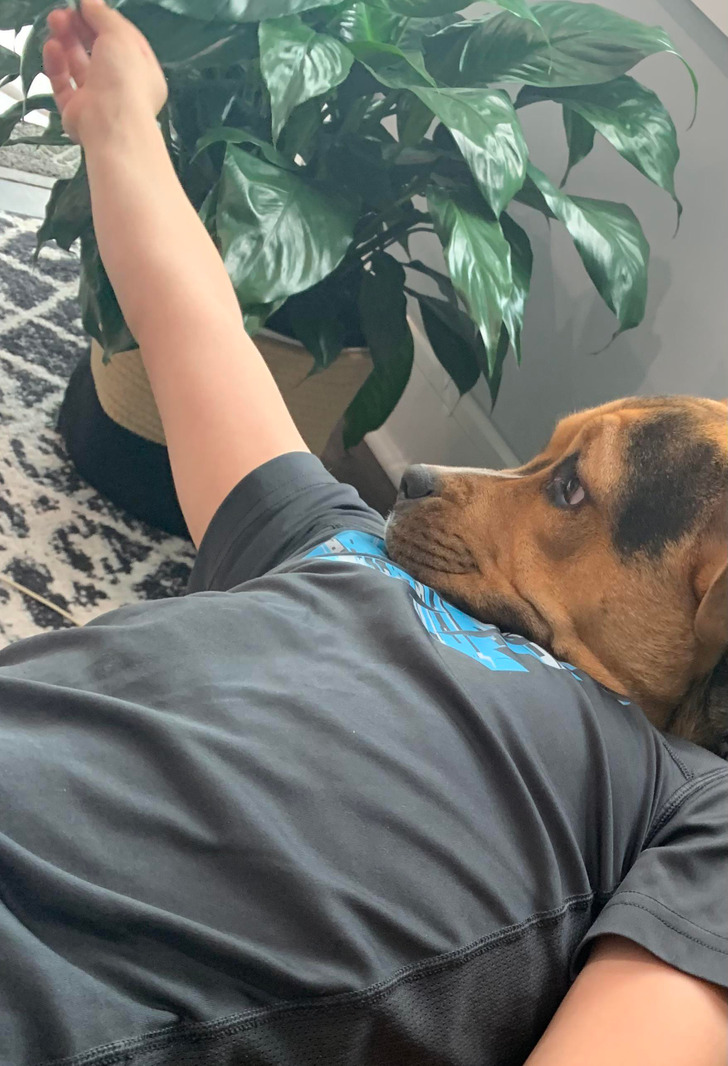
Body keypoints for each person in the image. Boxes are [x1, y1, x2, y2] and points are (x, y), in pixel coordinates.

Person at [0, 1, 725, 1062]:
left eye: (569, 491)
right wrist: (120, 120)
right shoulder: (346, 541)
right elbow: (193, 323)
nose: (445, 486)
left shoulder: (689, 812)